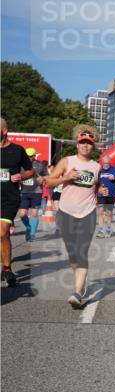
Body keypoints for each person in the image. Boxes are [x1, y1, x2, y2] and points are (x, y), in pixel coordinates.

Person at [44, 125, 105, 308]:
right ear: (77, 145)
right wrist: (66, 178)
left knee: (82, 251)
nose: (85, 146)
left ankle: (77, 292)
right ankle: (81, 279)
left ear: (92, 147)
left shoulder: (96, 167)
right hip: (66, 213)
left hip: (87, 213)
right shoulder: (66, 161)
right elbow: (48, 182)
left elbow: (96, 186)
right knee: (72, 253)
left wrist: (100, 189)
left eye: (88, 144)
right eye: (82, 143)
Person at [1, 117, 34, 286]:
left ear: (4, 131)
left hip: (9, 198)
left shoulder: (17, 150)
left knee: (2, 232)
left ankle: (7, 269)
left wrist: (21, 176)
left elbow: (30, 171)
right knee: (2, 235)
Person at [17, 148, 46, 241]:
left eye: (30, 156)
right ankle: (28, 227)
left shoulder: (40, 165)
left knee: (34, 214)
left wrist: (43, 177)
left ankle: (32, 234)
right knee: (22, 214)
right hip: (24, 192)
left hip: (37, 192)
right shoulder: (20, 165)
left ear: (34, 156)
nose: (29, 158)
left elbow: (48, 175)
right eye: (27, 156)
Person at [96, 155, 115, 238]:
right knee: (100, 212)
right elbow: (95, 181)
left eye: (107, 163)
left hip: (111, 194)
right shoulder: (99, 170)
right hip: (101, 194)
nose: (106, 164)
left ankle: (108, 229)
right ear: (102, 162)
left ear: (110, 162)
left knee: (108, 213)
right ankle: (100, 230)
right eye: (104, 163)